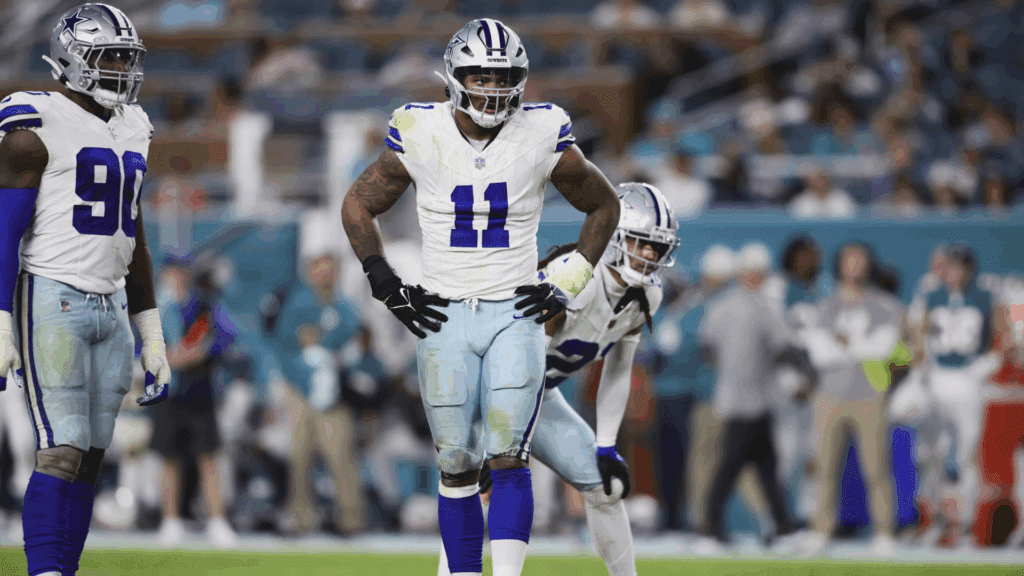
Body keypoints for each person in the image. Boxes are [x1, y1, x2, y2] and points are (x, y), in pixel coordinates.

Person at [341, 18, 621, 576]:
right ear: (454, 75)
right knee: (456, 464)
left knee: (509, 453)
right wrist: (385, 283)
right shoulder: (419, 129)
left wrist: (571, 278)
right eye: (480, 74)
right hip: (443, 314)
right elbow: (357, 205)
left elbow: (605, 204)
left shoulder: (542, 132)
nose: (493, 88)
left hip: (514, 310)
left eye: (503, 76)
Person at [0, 5, 171, 576]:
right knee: (61, 450)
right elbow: (4, 232)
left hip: (112, 305)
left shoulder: (133, 125)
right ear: (73, 61)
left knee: (93, 459)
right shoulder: (34, 122)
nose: (123, 68)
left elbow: (135, 236)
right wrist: (0, 319)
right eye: (111, 57)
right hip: (53, 295)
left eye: (128, 57)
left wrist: (153, 334)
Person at [438, 182, 679, 576]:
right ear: (617, 237)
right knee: (474, 487)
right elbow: (522, 356)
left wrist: (605, 447)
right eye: (640, 242)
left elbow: (618, 369)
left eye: (657, 247)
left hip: (535, 394)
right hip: (484, 384)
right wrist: (513, 442)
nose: (649, 254)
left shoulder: (646, 296)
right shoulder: (575, 276)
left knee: (606, 487)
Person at [695, 243, 815, 552]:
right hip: (752, 399)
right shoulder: (762, 305)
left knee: (765, 468)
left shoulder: (720, 306)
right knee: (730, 468)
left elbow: (707, 349)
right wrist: (806, 371)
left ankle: (783, 528)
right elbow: (785, 347)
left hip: (736, 396)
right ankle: (709, 530)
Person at [799, 243, 904, 557]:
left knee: (877, 467)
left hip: (869, 394)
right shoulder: (825, 305)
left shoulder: (884, 305)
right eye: (849, 258)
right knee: (824, 467)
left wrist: (845, 344)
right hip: (828, 394)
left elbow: (883, 349)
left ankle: (885, 532)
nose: (854, 265)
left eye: (860, 258)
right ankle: (821, 530)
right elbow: (819, 353)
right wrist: (856, 346)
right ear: (839, 264)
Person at [911, 243, 1000, 547]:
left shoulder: (985, 296)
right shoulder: (930, 295)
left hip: (968, 378)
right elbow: (918, 339)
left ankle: (967, 523)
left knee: (967, 455)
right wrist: (922, 370)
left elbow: (1003, 340)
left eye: (959, 266)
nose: (954, 273)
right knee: (930, 452)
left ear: (969, 269)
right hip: (938, 379)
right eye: (950, 266)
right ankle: (933, 519)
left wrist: (983, 366)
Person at [274, 252, 365, 535]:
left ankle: (351, 520)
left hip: (333, 393)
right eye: (318, 269)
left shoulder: (345, 307)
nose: (324, 275)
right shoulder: (297, 304)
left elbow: (353, 344)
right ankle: (302, 518)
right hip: (300, 389)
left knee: (340, 455)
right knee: (299, 455)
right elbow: (287, 345)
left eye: (329, 269)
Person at [150, 258, 237, 549]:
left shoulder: (204, 304)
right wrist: (165, 355)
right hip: (166, 391)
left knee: (208, 458)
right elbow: (138, 344)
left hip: (199, 391)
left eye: (177, 271)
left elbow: (226, 337)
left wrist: (200, 351)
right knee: (169, 458)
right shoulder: (153, 308)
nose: (173, 277)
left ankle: (217, 521)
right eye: (169, 271)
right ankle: (170, 521)